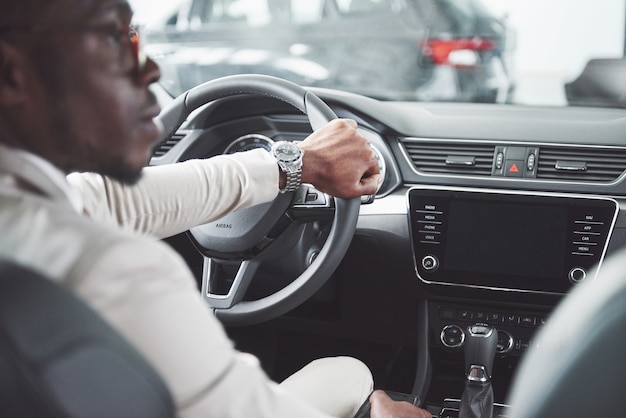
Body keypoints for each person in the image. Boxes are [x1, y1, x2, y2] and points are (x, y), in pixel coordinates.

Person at [0, 0, 431, 416]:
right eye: (117, 41)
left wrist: (295, 163)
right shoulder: (115, 271)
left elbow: (110, 199)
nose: (151, 68)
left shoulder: (21, 210)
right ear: (13, 76)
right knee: (349, 373)